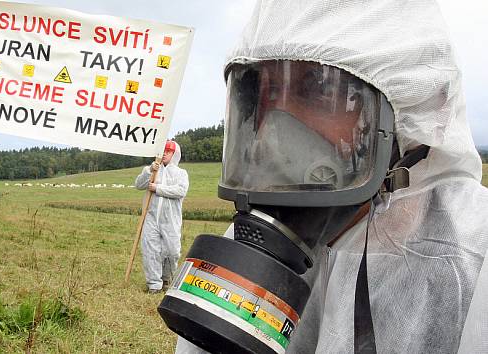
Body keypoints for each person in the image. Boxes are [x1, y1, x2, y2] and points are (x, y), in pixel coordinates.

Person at [174, 0, 488, 353]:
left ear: (422, 113)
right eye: (263, 95)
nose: (270, 135)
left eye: (318, 90)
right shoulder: (251, 241)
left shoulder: (476, 260)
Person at [135, 140, 189, 294]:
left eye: (168, 151)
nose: (165, 153)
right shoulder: (152, 169)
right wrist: (149, 171)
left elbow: (180, 191)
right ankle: (154, 284)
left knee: (172, 251)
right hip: (150, 217)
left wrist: (157, 188)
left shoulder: (181, 173)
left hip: (171, 219)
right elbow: (138, 185)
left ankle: (166, 278)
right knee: (150, 249)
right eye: (163, 151)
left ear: (174, 154)